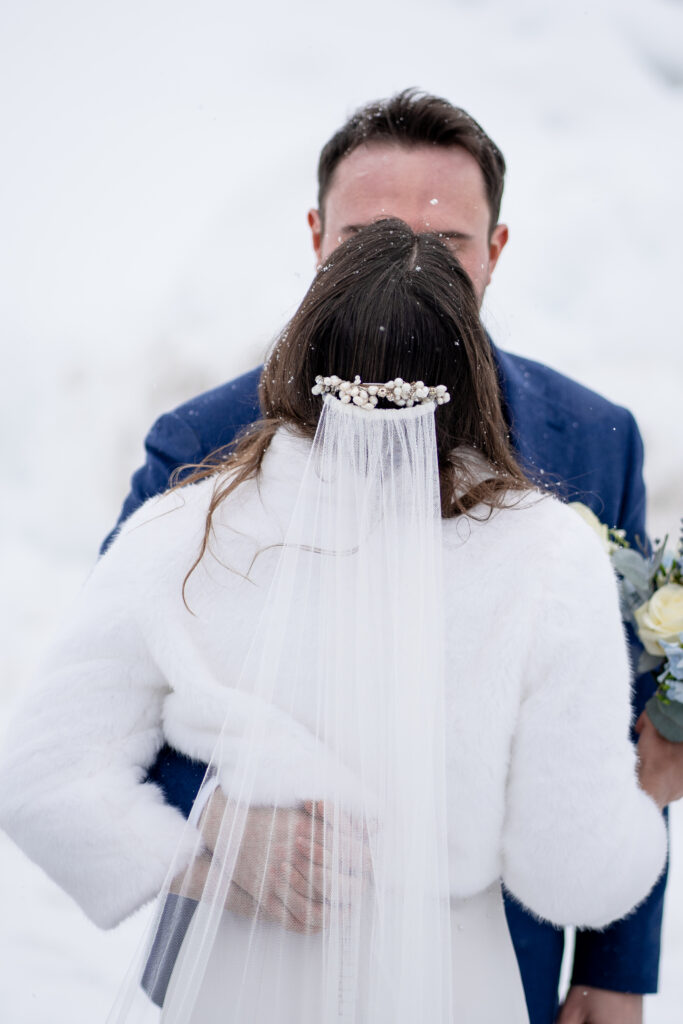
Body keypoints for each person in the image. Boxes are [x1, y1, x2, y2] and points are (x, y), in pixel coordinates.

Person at [0, 220, 667, 1024]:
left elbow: (41, 778)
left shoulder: (182, 530)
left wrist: (208, 867)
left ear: (299, 357)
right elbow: (570, 871)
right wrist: (653, 787)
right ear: (473, 378)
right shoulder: (547, 557)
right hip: (451, 983)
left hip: (239, 973)